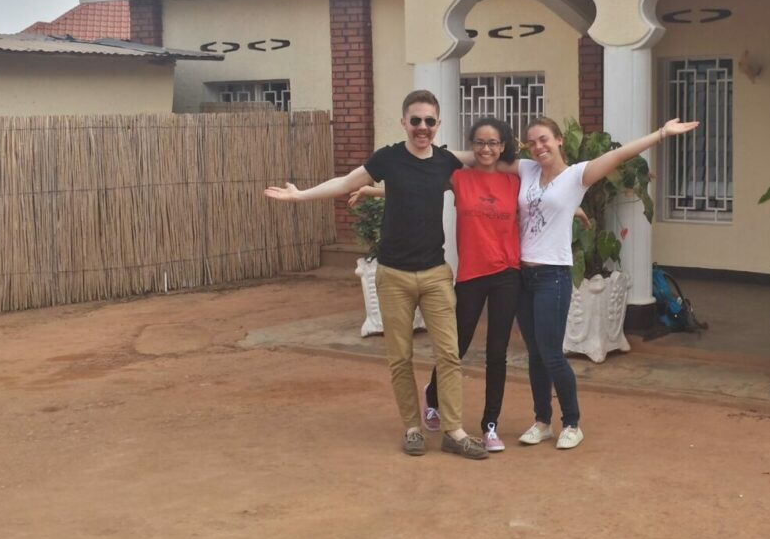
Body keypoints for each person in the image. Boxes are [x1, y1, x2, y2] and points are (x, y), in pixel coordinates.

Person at [263, 90, 487, 460]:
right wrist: (301, 196)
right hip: (394, 275)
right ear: (404, 122)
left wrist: (526, 155)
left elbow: (484, 156)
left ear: (438, 124)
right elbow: (348, 181)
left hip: (435, 274)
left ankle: (454, 430)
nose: (422, 127)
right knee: (400, 356)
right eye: (415, 120)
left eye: (429, 121)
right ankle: (413, 428)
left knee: (449, 355)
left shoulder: (446, 162)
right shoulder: (388, 158)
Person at [513, 116, 698, 450]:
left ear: (558, 141)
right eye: (531, 141)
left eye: (543, 139)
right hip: (522, 275)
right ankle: (542, 421)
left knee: (552, 353)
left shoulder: (576, 175)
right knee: (535, 354)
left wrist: (660, 134)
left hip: (552, 275)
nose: (537, 146)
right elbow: (481, 157)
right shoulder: (526, 169)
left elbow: (619, 156)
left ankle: (571, 423)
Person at [349, 117, 522, 452]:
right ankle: (433, 395)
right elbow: (414, 187)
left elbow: (539, 200)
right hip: (471, 273)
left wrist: (576, 211)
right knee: (455, 348)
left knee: (498, 351)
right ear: (472, 147)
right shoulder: (457, 176)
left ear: (502, 146)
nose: (486, 149)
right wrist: (373, 188)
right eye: (480, 143)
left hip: (507, 273)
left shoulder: (514, 181)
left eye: (493, 143)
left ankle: (489, 425)